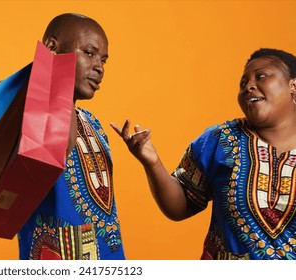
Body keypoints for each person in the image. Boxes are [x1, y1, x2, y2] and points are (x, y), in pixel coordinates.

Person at [110, 48, 296, 260]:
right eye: (243, 84)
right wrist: (152, 163)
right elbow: (180, 207)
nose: (249, 86)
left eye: (261, 76)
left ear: (293, 86)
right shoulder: (219, 140)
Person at [17, 13, 125, 260]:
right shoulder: (24, 113)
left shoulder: (93, 124)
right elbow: (50, 160)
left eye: (104, 60)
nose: (99, 67)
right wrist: (54, 81)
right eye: (89, 53)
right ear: (51, 47)